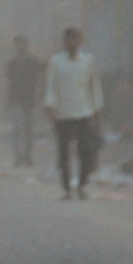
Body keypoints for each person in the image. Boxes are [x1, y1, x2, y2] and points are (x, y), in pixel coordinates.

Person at [43, 27, 104, 200]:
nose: (72, 43)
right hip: (63, 114)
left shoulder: (88, 61)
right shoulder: (56, 62)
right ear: (65, 41)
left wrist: (97, 111)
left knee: (85, 151)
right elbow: (51, 86)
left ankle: (82, 185)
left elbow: (94, 87)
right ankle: (67, 188)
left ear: (80, 41)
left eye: (75, 39)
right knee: (64, 154)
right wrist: (50, 107)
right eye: (68, 39)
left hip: (84, 112)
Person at [6, 35, 44, 167]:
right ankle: (17, 157)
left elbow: (41, 75)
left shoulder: (33, 62)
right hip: (15, 101)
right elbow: (7, 83)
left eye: (22, 44)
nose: (20, 47)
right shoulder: (11, 64)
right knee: (17, 129)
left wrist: (40, 95)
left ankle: (27, 156)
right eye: (18, 44)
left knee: (28, 130)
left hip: (29, 100)